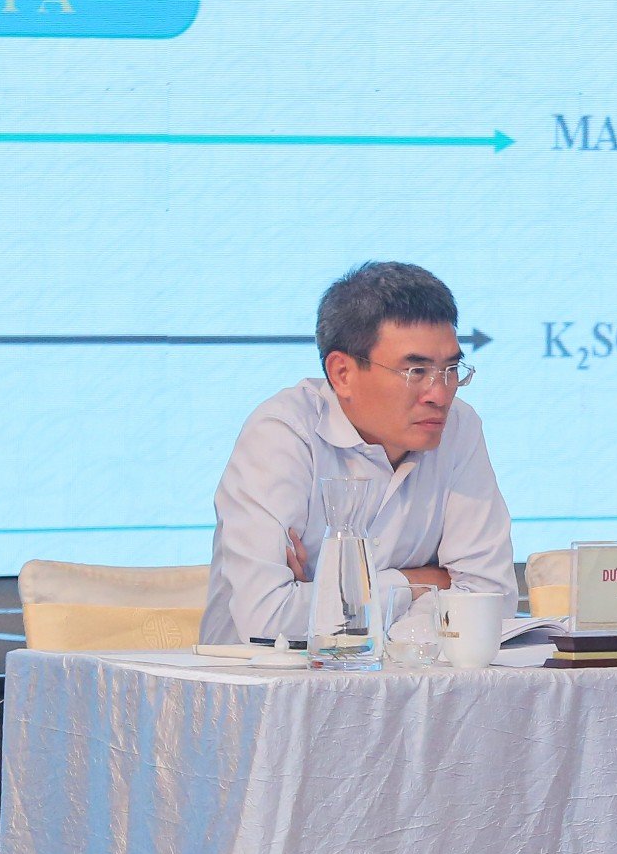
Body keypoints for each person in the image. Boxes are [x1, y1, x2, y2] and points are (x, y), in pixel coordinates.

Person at [202, 262, 516, 645]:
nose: (440, 394)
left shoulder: (459, 428)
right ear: (342, 373)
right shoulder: (283, 433)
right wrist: (415, 582)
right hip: (262, 677)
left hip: (406, 675)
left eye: (450, 369)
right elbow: (268, 619)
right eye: (416, 371)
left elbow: (491, 601)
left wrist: (329, 598)